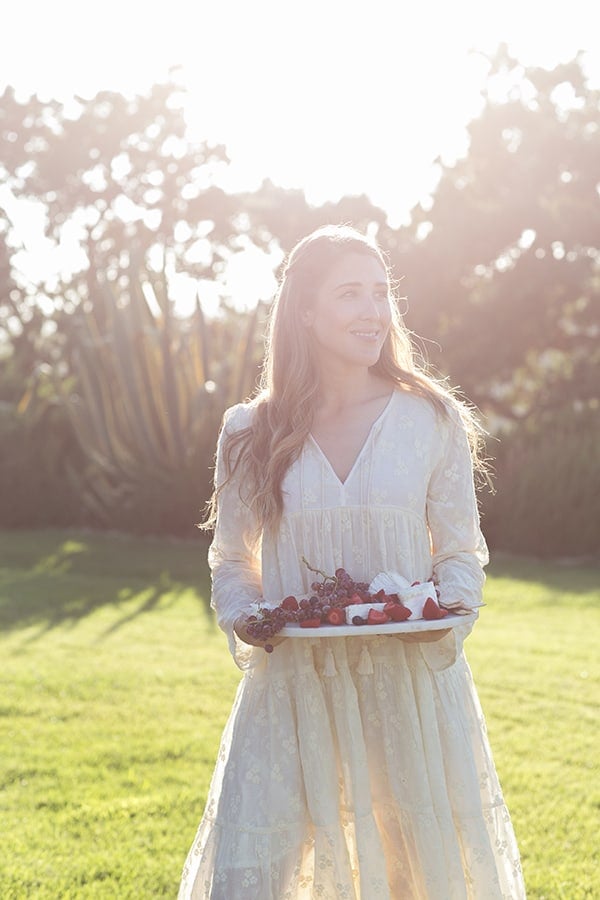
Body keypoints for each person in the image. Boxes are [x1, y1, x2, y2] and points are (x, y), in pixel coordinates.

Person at [178, 225, 526, 899]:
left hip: (408, 688)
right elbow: (231, 560)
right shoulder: (250, 430)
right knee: (256, 873)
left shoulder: (433, 419)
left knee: (414, 875)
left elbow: (458, 554)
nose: (373, 311)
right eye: (349, 294)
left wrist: (443, 618)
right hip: (292, 688)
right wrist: (246, 615)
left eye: (379, 293)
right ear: (304, 311)